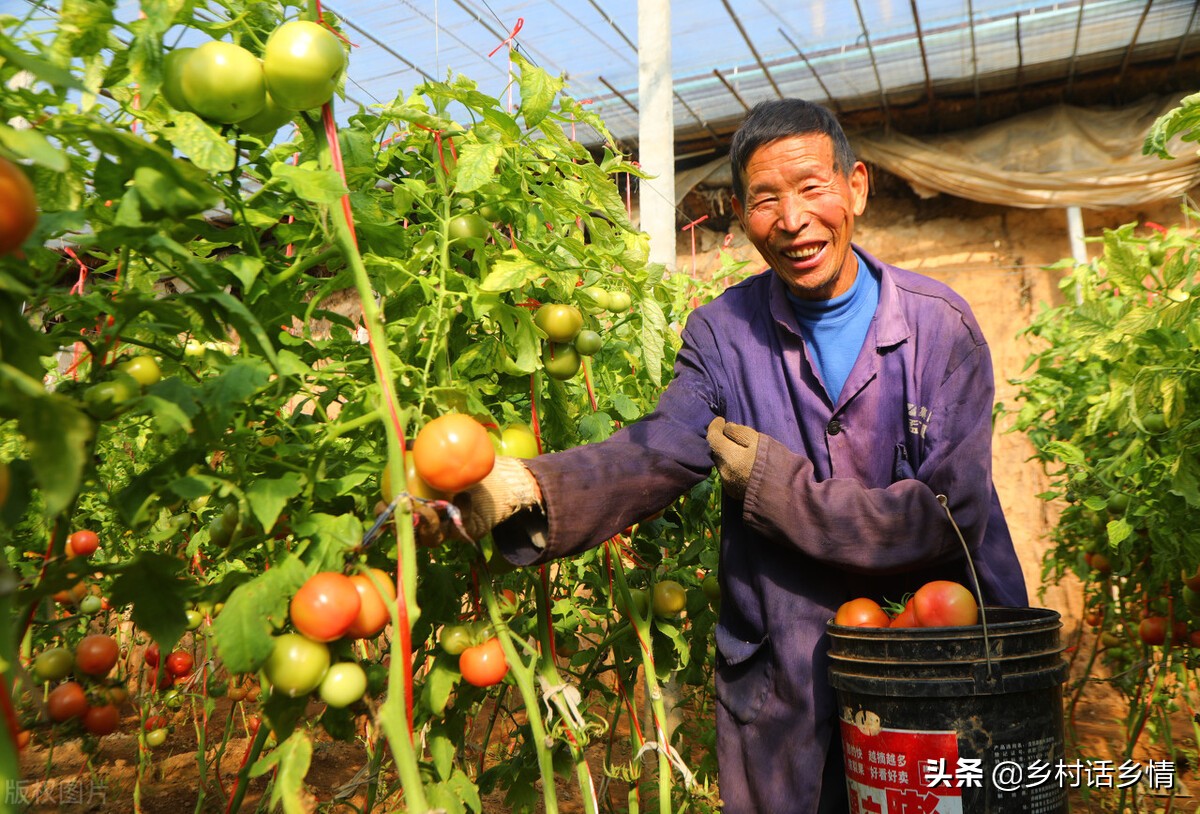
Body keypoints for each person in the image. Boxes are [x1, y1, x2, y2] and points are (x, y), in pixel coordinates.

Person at [448, 98, 1029, 814]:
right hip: (785, 674)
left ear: (857, 187)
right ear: (739, 213)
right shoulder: (723, 333)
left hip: (932, 668)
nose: (792, 220)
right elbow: (660, 446)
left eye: (813, 187)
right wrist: (526, 487)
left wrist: (777, 489)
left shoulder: (940, 328)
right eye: (765, 199)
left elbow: (945, 515)